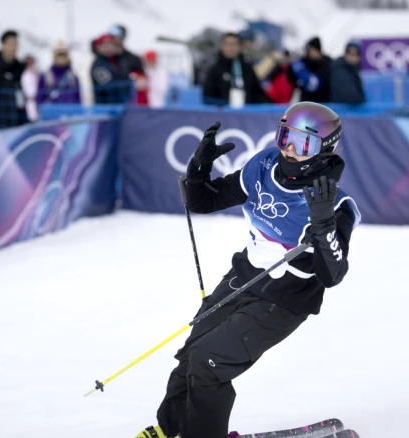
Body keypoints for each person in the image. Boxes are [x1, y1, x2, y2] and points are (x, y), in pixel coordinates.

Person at [137, 101, 361, 438]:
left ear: (325, 150)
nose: (288, 149)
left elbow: (332, 275)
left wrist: (324, 222)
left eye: (302, 144)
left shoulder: (335, 204)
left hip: (286, 299)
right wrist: (198, 170)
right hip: (245, 276)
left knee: (209, 361)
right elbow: (204, 201)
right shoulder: (262, 167)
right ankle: (173, 429)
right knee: (190, 353)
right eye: (285, 136)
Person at [202, 32, 268, 107]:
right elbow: (207, 97)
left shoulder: (247, 68)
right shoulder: (215, 70)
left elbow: (258, 93)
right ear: (222, 47)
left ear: (239, 46)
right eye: (228, 44)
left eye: (234, 44)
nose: (231, 48)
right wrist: (224, 104)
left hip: (247, 113)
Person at [0, 30, 27, 130]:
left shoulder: (19, 68)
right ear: (3, 45)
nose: (14, 48)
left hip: (16, 119)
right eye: (11, 44)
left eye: (16, 44)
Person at [287, 36, 332, 103]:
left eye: (311, 50)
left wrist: (300, 69)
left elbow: (313, 84)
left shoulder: (327, 64)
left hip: (322, 104)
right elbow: (291, 80)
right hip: (305, 103)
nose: (309, 53)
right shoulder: (304, 62)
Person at [91, 33, 131, 104]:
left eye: (111, 44)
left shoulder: (119, 61)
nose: (109, 47)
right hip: (106, 106)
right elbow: (107, 85)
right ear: (98, 47)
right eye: (105, 45)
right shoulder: (98, 65)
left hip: (122, 105)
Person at [20, 55, 40, 122]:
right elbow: (28, 89)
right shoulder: (26, 75)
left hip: (36, 101)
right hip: (30, 100)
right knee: (32, 117)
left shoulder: (35, 74)